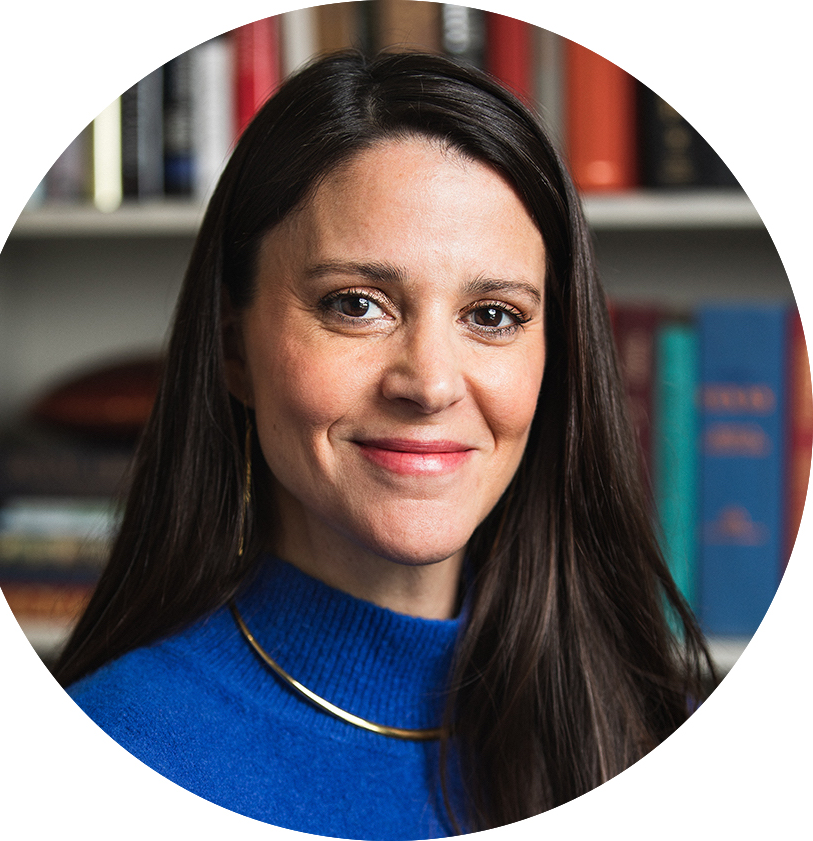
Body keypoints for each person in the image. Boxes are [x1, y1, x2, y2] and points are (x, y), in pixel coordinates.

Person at [55, 50, 713, 838]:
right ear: (234, 349)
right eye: (356, 304)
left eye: (492, 315)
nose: (428, 383)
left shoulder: (660, 732)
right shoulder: (107, 755)